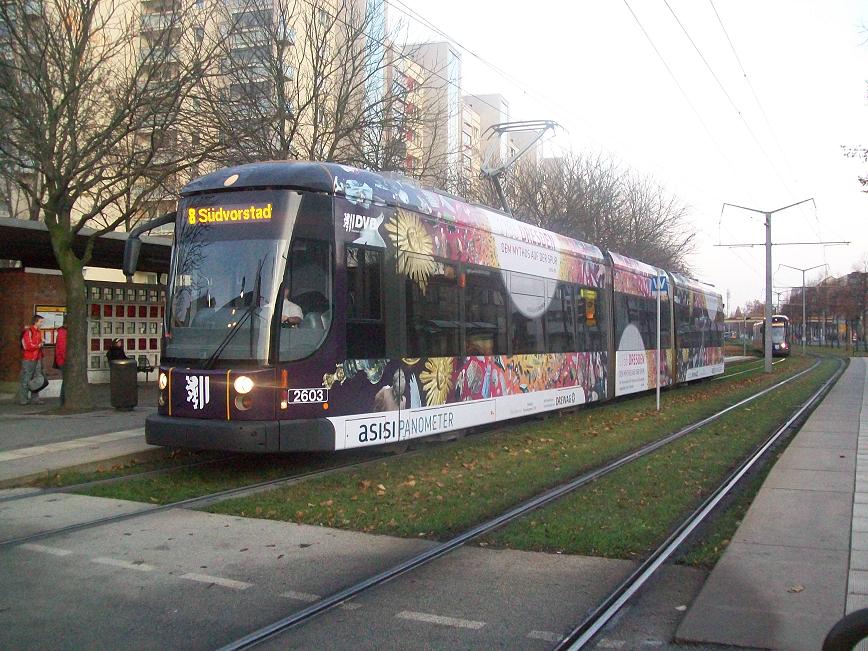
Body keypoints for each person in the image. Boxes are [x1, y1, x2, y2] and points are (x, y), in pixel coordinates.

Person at [19, 314, 45, 405]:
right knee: (26, 378)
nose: (42, 323)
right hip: (29, 358)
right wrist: (39, 345)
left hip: (37, 357)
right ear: (35, 321)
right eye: (41, 322)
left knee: (36, 379)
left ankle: (35, 398)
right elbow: (28, 346)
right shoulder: (28, 331)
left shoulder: (39, 331)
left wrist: (41, 343)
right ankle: (23, 399)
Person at [55, 321, 67, 406]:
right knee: (66, 380)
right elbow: (62, 348)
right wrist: (66, 359)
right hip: (63, 360)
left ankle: (63, 400)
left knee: (66, 380)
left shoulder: (62, 332)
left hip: (62, 359)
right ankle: (63, 400)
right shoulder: (63, 332)